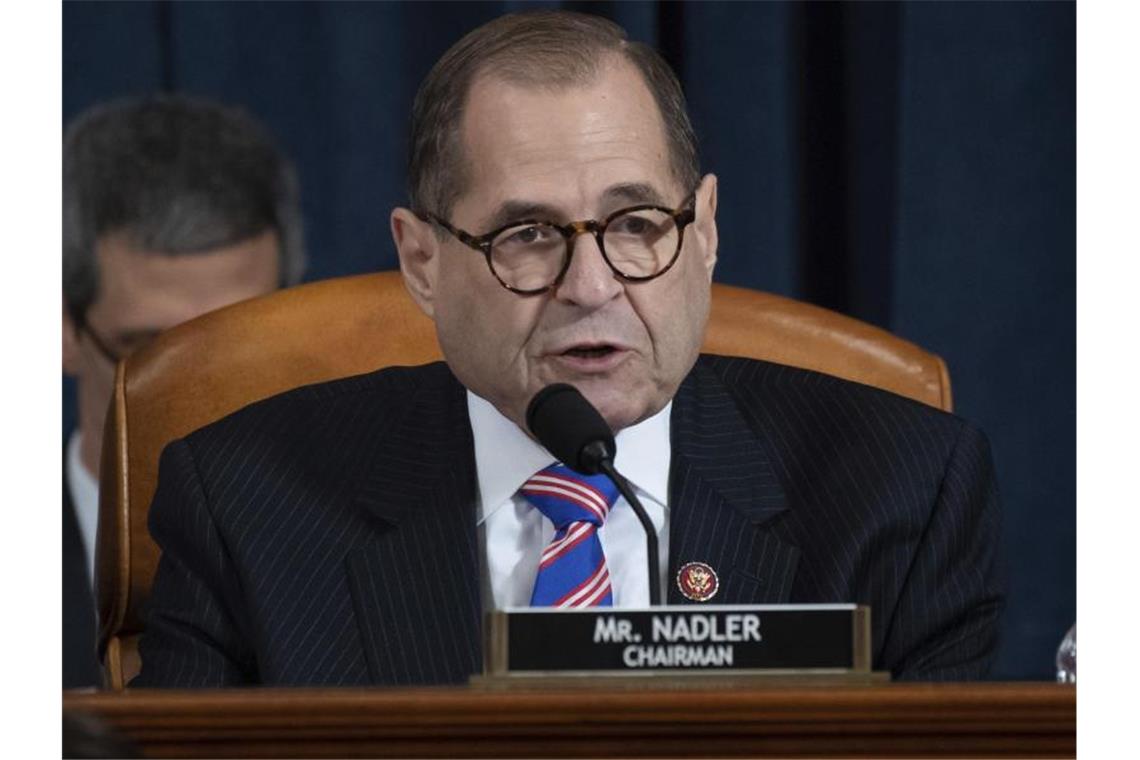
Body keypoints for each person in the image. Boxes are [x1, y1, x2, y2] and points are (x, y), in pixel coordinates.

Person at [134, 10, 1003, 687]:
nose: (591, 286)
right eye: (528, 234)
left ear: (704, 233)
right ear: (423, 261)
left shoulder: (899, 495)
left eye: (636, 224)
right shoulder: (246, 505)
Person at [62, 94, 306, 687]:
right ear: (64, 329)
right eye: (149, 352)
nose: (203, 396)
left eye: (240, 345)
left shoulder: (378, 554)